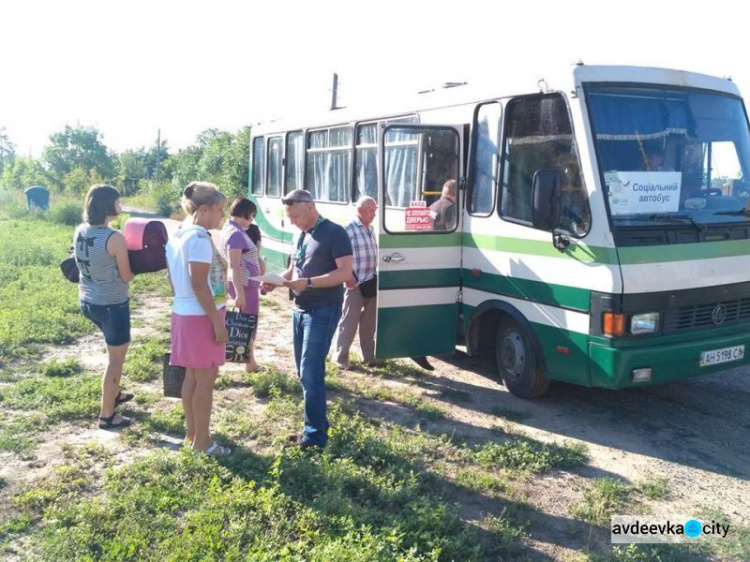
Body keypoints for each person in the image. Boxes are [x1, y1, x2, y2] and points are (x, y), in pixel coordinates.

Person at [262, 189, 353, 450]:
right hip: (300, 309)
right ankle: (313, 427)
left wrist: (309, 283)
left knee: (311, 373)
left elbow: (345, 273)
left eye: (297, 216)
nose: (293, 221)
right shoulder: (300, 234)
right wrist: (276, 282)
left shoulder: (335, 233)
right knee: (304, 373)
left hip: (323, 309)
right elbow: (294, 269)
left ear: (311, 206)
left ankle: (314, 439)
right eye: (289, 217)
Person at [165, 181, 230, 456]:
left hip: (183, 312)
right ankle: (203, 443)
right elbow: (200, 284)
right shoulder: (200, 238)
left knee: (191, 377)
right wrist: (217, 322)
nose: (221, 216)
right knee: (205, 381)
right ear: (203, 210)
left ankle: (193, 435)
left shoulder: (177, 234)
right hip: (202, 316)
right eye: (218, 210)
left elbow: (171, 277)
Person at [75, 184, 135, 430]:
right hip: (112, 305)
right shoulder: (114, 238)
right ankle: (107, 415)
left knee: (114, 353)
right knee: (116, 360)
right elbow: (127, 275)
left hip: (88, 301)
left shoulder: (80, 230)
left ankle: (115, 391)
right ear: (108, 206)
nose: (120, 206)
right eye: (118, 202)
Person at [332, 196, 379, 369]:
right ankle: (340, 357)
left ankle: (369, 356)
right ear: (360, 211)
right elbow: (338, 256)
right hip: (355, 282)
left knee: (369, 322)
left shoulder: (371, 229)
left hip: (371, 281)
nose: (374, 214)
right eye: (371, 211)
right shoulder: (348, 229)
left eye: (375, 211)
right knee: (349, 321)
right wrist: (347, 276)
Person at [220, 197, 262, 372]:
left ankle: (249, 360)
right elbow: (234, 265)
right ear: (245, 213)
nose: (252, 219)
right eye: (252, 215)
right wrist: (240, 294)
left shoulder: (229, 228)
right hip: (245, 285)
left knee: (247, 322)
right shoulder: (237, 234)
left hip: (244, 283)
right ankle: (249, 362)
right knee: (249, 323)